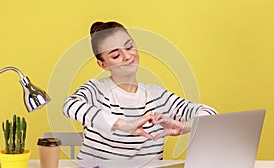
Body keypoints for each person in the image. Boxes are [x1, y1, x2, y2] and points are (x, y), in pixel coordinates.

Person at [62, 21, 217, 160]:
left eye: (130, 47)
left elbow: (209, 113)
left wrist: (184, 126)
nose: (127, 56)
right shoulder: (96, 90)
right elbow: (69, 105)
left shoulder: (157, 96)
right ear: (103, 65)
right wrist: (124, 125)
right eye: (115, 55)